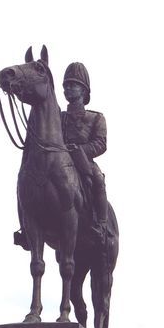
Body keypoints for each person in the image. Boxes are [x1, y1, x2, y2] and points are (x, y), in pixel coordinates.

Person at [60, 62, 109, 247]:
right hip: (60, 159)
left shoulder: (96, 118)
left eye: (73, 85)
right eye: (65, 85)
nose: (68, 88)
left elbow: (101, 143)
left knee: (98, 179)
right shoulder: (59, 116)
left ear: (84, 90)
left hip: (83, 161)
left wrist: (80, 149)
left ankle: (102, 225)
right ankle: (26, 227)